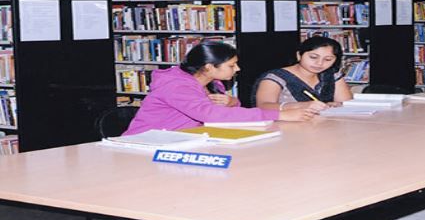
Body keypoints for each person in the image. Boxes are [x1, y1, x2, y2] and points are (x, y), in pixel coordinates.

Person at [123, 41, 325, 135]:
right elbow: (210, 114)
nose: (237, 69)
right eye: (231, 65)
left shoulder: (208, 82)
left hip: (184, 138)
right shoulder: (176, 86)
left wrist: (233, 102)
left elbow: (220, 110)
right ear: (210, 67)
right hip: (148, 143)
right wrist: (278, 115)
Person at [252, 36, 352, 110]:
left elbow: (347, 104)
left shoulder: (332, 75)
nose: (319, 63)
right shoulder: (276, 78)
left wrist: (335, 105)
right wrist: (302, 105)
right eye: (313, 57)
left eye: (328, 59)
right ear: (299, 55)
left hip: (324, 125)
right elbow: (263, 107)